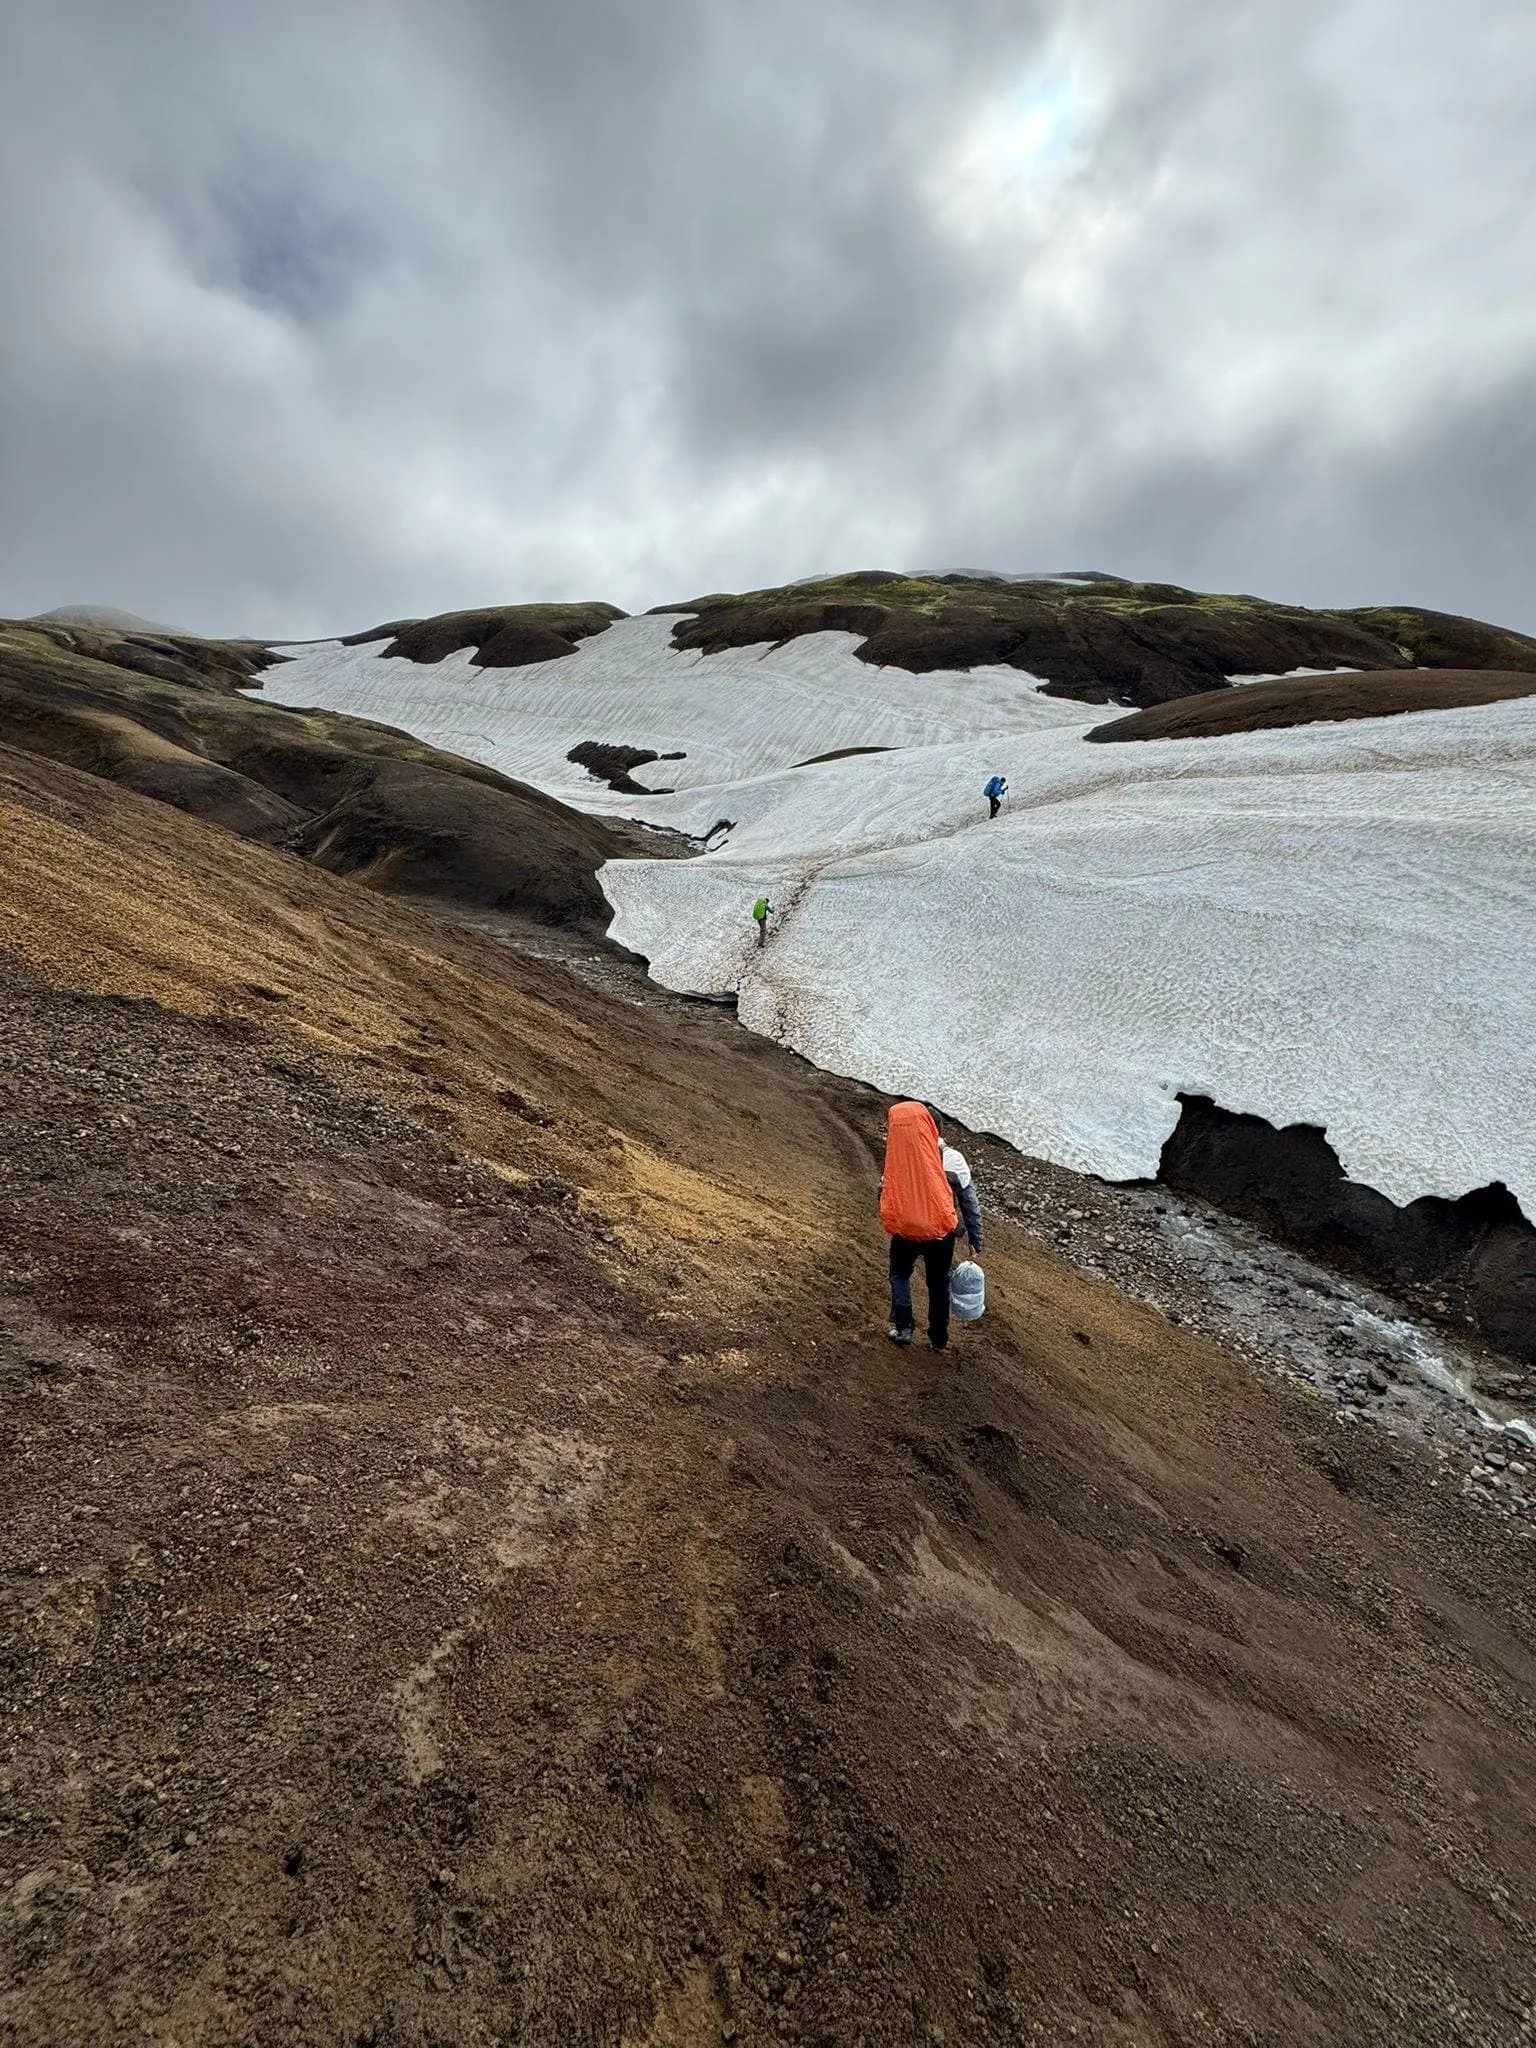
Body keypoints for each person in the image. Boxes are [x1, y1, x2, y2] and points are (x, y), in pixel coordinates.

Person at [880, 1100, 964, 1351]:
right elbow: (967, 1197)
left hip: (907, 1230)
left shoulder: (898, 1157)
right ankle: (939, 1340)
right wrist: (973, 1235)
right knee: (938, 1285)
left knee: (899, 1275)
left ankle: (903, 1326)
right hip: (940, 1234)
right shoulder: (950, 1158)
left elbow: (884, 1191)